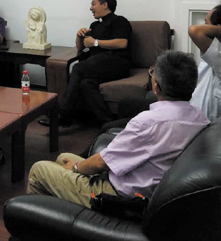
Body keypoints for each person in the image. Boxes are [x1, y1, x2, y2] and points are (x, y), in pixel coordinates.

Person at [27, 50, 209, 208]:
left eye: (152, 73)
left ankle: (41, 221)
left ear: (156, 87)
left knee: (39, 169)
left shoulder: (148, 122)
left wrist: (76, 167)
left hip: (118, 196)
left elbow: (100, 163)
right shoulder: (201, 119)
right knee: (62, 158)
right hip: (150, 188)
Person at [39, 0, 132, 128]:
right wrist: (79, 36)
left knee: (78, 68)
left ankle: (64, 114)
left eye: (93, 4)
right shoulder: (95, 25)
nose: (90, 8)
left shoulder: (119, 21)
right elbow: (81, 48)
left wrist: (95, 42)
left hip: (117, 63)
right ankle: (108, 122)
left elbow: (122, 43)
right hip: (98, 65)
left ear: (105, 5)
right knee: (86, 83)